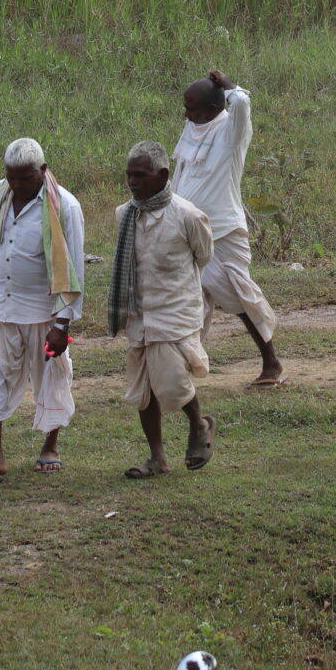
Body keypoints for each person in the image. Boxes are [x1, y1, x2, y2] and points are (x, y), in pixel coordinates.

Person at [0, 139, 82, 482]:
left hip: (43, 310)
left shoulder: (65, 206)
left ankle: (51, 447)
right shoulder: (0, 193)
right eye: (11, 177)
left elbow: (74, 270)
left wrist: (62, 323)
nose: (16, 185)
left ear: (42, 171)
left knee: (51, 376)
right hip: (1, 303)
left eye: (24, 179)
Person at [108, 141, 216, 479]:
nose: (133, 182)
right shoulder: (124, 215)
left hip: (176, 311)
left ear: (163, 175)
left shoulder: (188, 216)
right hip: (140, 314)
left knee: (171, 383)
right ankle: (157, 458)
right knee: (143, 392)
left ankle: (199, 425)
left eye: (140, 175)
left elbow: (204, 257)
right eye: (129, 175)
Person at [172, 71, 282, 386]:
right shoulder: (192, 129)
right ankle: (184, 366)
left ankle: (271, 363)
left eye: (191, 108)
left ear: (212, 108)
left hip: (223, 233)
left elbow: (243, 104)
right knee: (189, 300)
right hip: (188, 234)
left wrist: (230, 86)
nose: (186, 113)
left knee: (239, 297)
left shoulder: (231, 133)